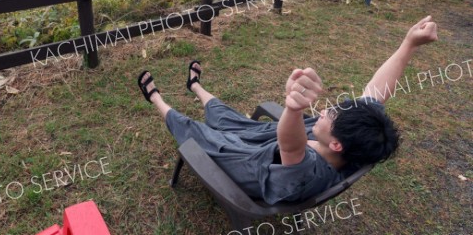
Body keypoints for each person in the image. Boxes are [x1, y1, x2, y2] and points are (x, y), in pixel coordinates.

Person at [137, 15, 438, 204]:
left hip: (246, 166)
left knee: (194, 131)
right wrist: (408, 44)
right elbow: (375, 93)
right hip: (263, 140)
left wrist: (294, 108)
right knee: (225, 114)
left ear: (336, 143)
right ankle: (195, 86)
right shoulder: (354, 140)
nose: (323, 112)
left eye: (328, 116)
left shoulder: (308, 172)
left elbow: (291, 146)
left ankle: (156, 99)